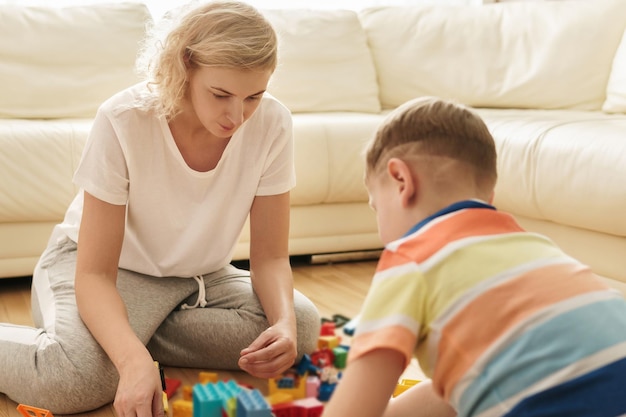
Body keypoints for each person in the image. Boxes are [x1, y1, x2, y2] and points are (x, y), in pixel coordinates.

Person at [0, 1, 320, 415]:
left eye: (254, 96)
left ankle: (125, 333)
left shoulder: (274, 123)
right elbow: (95, 274)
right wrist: (131, 362)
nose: (237, 116)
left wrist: (283, 326)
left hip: (199, 279)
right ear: (186, 65)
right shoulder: (124, 119)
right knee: (72, 381)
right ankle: (112, 341)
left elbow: (271, 256)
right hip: (102, 270)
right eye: (221, 94)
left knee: (300, 325)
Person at [322, 96, 626, 417]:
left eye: (376, 208)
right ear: (488, 197)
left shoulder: (411, 259)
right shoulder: (536, 250)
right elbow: (454, 392)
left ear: (401, 181)